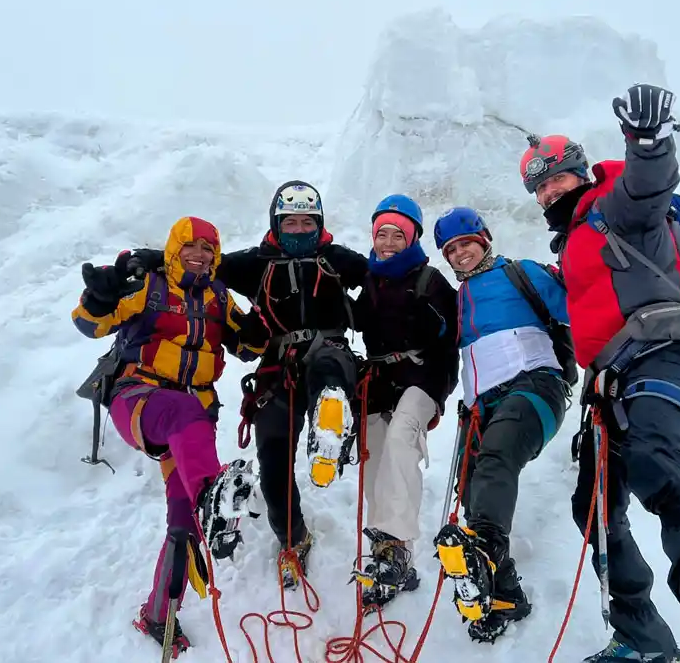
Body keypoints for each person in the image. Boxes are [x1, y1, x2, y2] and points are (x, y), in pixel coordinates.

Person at [521, 84, 680, 663]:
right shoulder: (573, 244)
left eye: (557, 176)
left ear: (580, 172)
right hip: (609, 382)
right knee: (594, 507)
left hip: (663, 353)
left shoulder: (613, 208)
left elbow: (649, 184)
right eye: (540, 183)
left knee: (657, 459)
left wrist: (648, 141)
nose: (550, 188)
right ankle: (643, 638)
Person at [71, 216, 271, 656]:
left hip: (194, 423)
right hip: (139, 397)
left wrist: (258, 325)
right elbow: (91, 324)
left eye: (208, 249)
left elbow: (248, 346)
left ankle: (159, 613)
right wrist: (100, 296)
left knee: (185, 522)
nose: (199, 255)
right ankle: (211, 496)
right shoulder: (149, 286)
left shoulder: (220, 298)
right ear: (174, 248)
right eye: (190, 247)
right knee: (185, 421)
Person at [429, 206, 571, 643]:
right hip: (480, 409)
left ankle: (485, 550)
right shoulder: (454, 302)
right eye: (450, 250)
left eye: (466, 243)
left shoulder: (521, 273)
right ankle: (506, 594)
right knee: (474, 492)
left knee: (496, 458)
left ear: (484, 239)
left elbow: (575, 310)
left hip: (536, 384)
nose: (460, 253)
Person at [214, 180, 367, 587]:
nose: (299, 230)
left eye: (307, 222)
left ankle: (329, 426)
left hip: (330, 352)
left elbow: (386, 277)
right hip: (277, 370)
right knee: (274, 457)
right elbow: (200, 264)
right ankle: (292, 539)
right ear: (276, 223)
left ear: (319, 224)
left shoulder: (337, 259)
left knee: (329, 371)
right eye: (291, 222)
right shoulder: (257, 262)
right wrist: (148, 261)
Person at [350, 194, 460, 609]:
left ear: (412, 237)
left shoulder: (431, 281)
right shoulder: (371, 280)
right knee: (374, 456)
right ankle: (390, 559)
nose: (390, 242)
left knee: (400, 439)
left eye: (399, 234)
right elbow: (354, 320)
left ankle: (396, 542)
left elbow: (455, 335)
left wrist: (444, 386)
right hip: (379, 380)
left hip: (424, 375)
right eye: (383, 234)